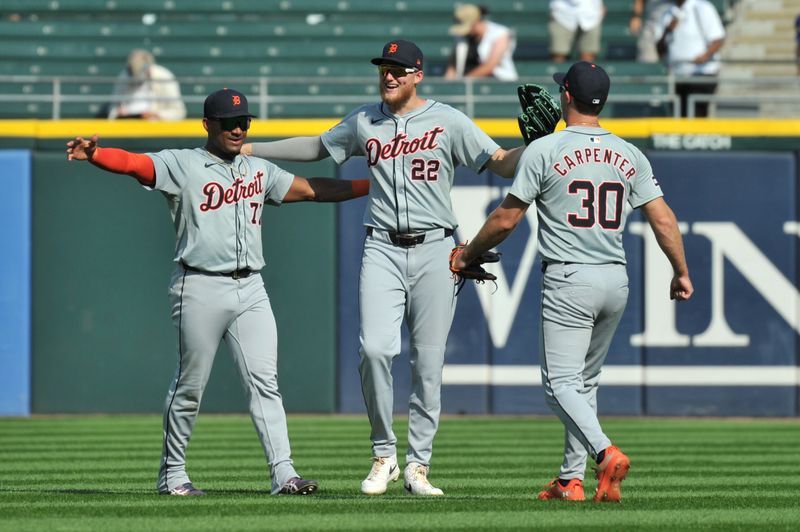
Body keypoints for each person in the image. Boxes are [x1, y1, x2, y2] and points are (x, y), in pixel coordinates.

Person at [242, 39, 523, 496]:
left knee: (428, 363)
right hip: (382, 248)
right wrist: (255, 149)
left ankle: (419, 466)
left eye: (398, 69)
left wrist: (535, 145)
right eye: (383, 68)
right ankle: (384, 455)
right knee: (374, 350)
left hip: (436, 249)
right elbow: (318, 147)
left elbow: (499, 162)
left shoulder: (447, 119)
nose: (388, 75)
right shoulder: (364, 120)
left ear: (417, 75)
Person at [66, 88, 369, 496]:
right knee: (190, 385)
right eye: (229, 122)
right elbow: (137, 165)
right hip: (199, 285)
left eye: (244, 122)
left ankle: (284, 474)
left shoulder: (257, 168)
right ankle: (172, 475)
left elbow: (312, 189)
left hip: (251, 288)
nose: (238, 128)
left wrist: (371, 185)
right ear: (208, 124)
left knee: (265, 382)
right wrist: (96, 154)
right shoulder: (183, 164)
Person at [451, 62, 693, 502]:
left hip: (570, 277)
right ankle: (570, 479)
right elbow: (662, 218)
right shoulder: (629, 153)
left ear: (565, 95)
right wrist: (680, 270)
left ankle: (605, 453)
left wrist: (466, 254)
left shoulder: (545, 148)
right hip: (615, 280)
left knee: (559, 385)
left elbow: (506, 219)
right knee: (584, 384)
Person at [655, 0, 725, 117]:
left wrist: (705, 56)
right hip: (678, 76)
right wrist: (668, 30)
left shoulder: (702, 7)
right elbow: (659, 50)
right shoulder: (667, 14)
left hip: (701, 75)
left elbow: (717, 39)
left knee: (696, 115)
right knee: (680, 117)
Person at [444, 4, 518, 81]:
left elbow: (490, 65)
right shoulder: (465, 39)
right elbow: (452, 68)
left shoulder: (500, 33)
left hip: (501, 84)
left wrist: (465, 82)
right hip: (474, 86)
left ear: (476, 22)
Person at [108, 49, 186, 121]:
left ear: (149, 69)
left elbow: (179, 112)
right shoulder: (124, 76)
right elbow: (112, 109)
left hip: (155, 129)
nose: (136, 83)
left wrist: (157, 115)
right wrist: (118, 113)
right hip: (127, 127)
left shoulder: (164, 77)